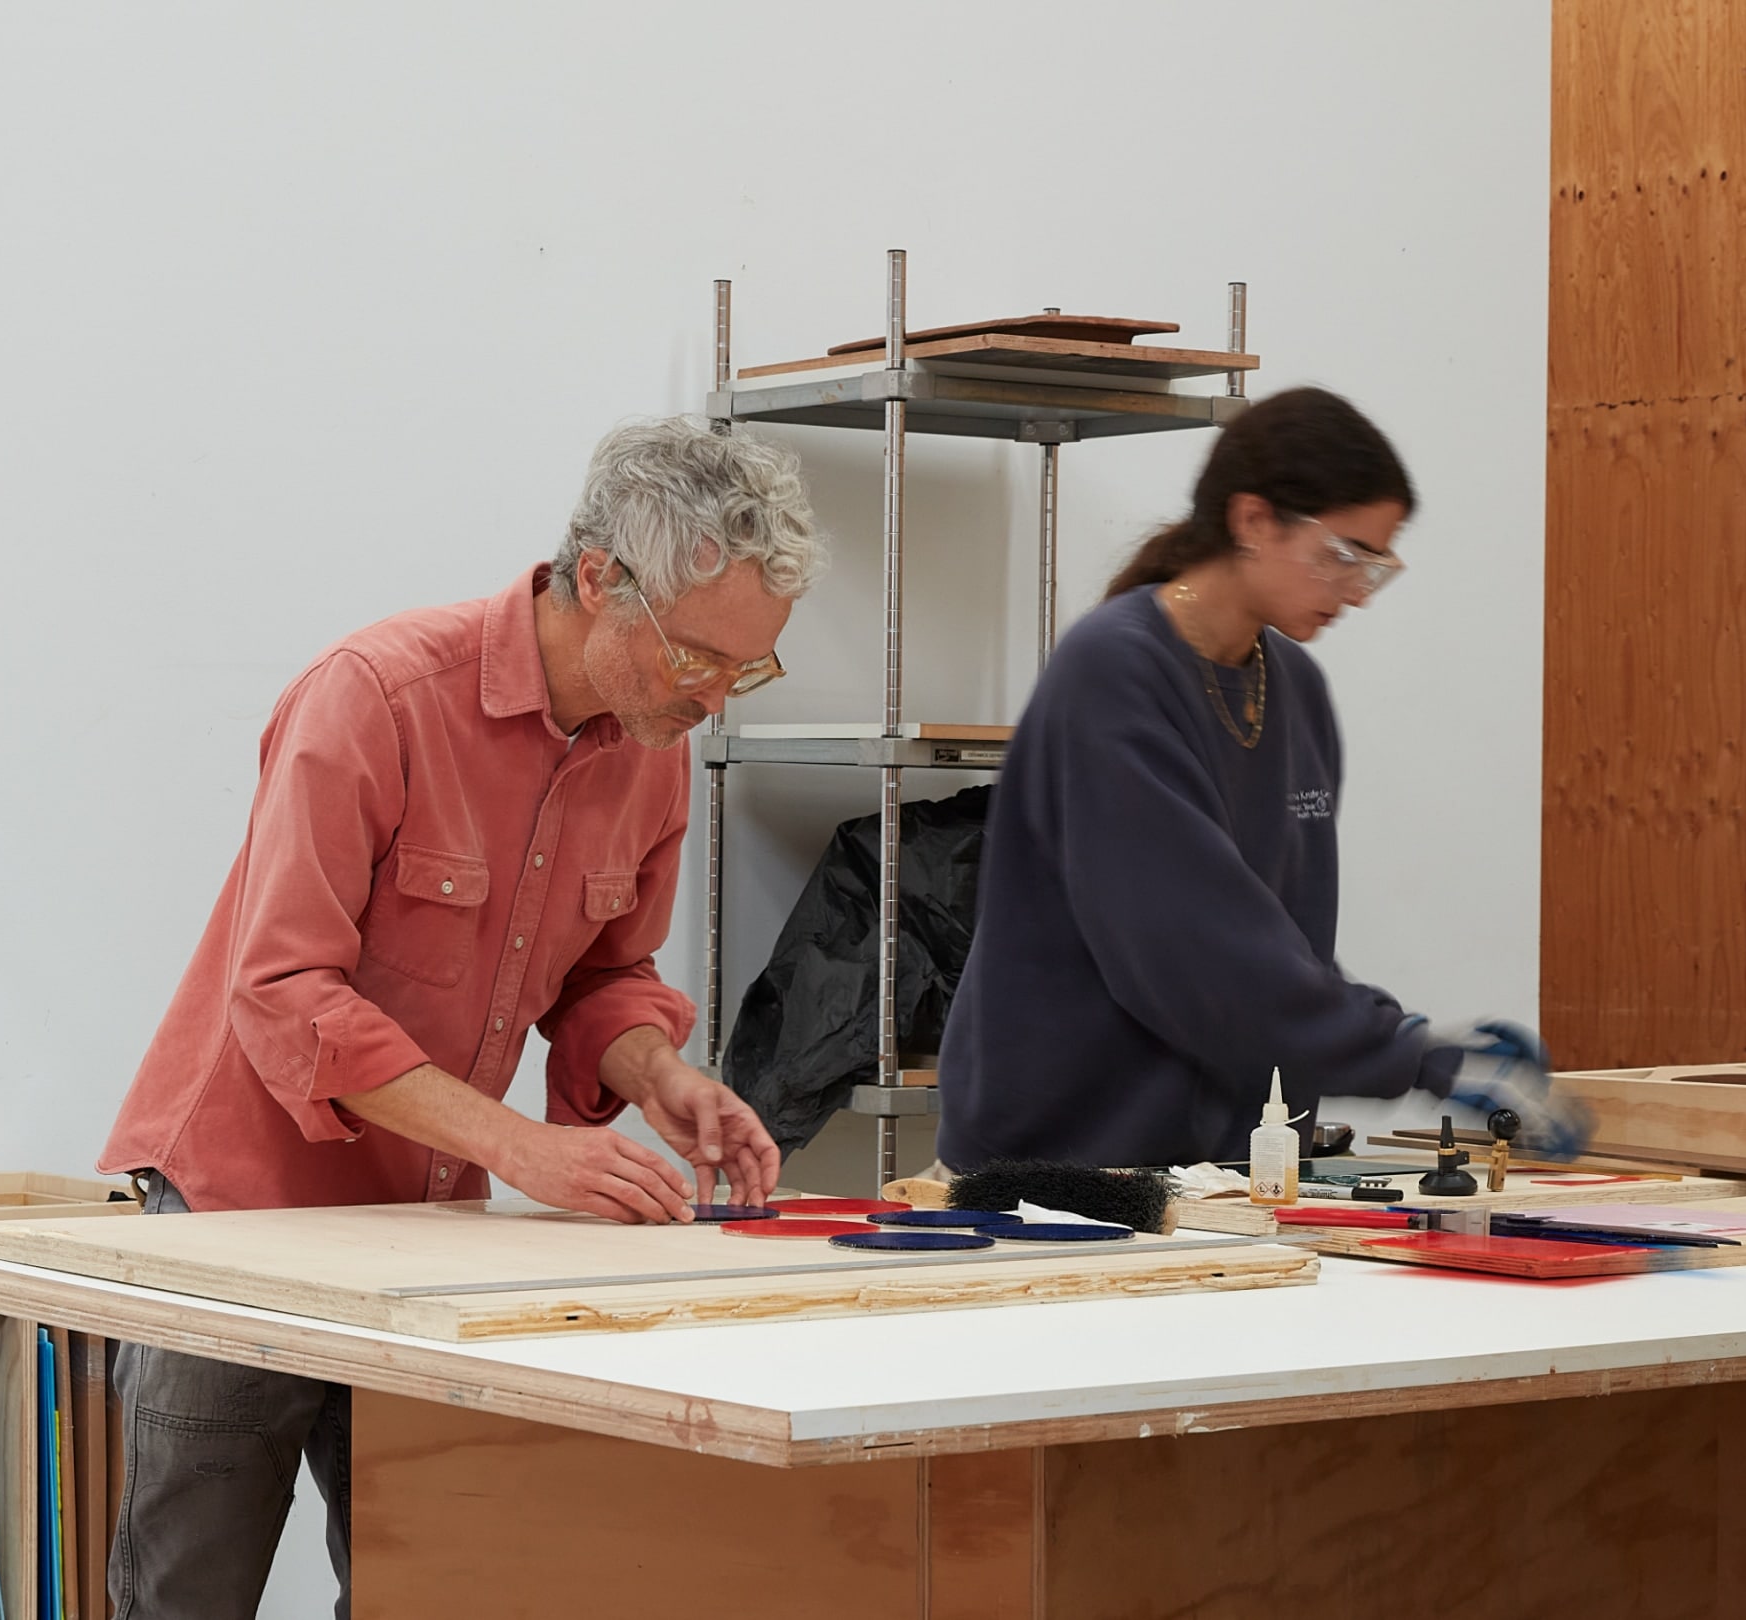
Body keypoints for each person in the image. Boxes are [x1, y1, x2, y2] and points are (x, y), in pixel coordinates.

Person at [97, 416, 820, 1618]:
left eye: (748, 669)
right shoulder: (373, 697)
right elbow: (283, 995)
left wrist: (660, 1078)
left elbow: (603, 976)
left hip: (427, 1226)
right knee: (188, 1595)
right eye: (699, 657)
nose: (715, 699)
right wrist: (524, 1149)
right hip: (240, 1216)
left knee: (428, 1579)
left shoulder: (652, 748)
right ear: (600, 581)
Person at [935, 386, 1559, 1174]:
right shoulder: (1113, 672)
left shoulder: (1293, 685)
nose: (1358, 592)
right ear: (1253, 522)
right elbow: (1193, 951)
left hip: (1228, 1164)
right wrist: (1416, 1058)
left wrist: (1401, 1042)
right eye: (1342, 556)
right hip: (1069, 1160)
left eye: (1377, 565)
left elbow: (1285, 946)